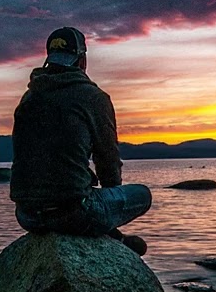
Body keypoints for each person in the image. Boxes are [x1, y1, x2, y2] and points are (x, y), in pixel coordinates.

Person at [9, 26, 151, 255]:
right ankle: (113, 238)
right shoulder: (93, 97)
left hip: (26, 215)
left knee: (80, 190)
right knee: (142, 195)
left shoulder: (28, 98)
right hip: (73, 214)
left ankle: (111, 235)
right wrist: (109, 202)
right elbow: (108, 160)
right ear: (82, 60)